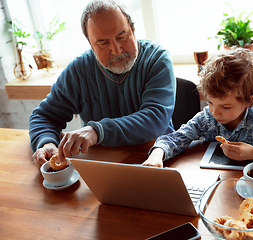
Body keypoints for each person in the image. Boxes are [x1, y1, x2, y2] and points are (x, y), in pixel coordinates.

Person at [30, 0, 176, 168]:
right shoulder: (79, 69)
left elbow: (155, 119)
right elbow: (44, 116)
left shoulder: (157, 58)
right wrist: (46, 142)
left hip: (156, 159)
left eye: (122, 36)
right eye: (103, 43)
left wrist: (97, 131)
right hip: (100, 166)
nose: (116, 49)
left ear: (133, 30)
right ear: (91, 45)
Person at [142, 47, 253, 168]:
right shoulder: (207, 118)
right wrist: (157, 155)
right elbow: (176, 138)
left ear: (248, 101)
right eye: (210, 102)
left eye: (225, 106)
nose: (215, 112)